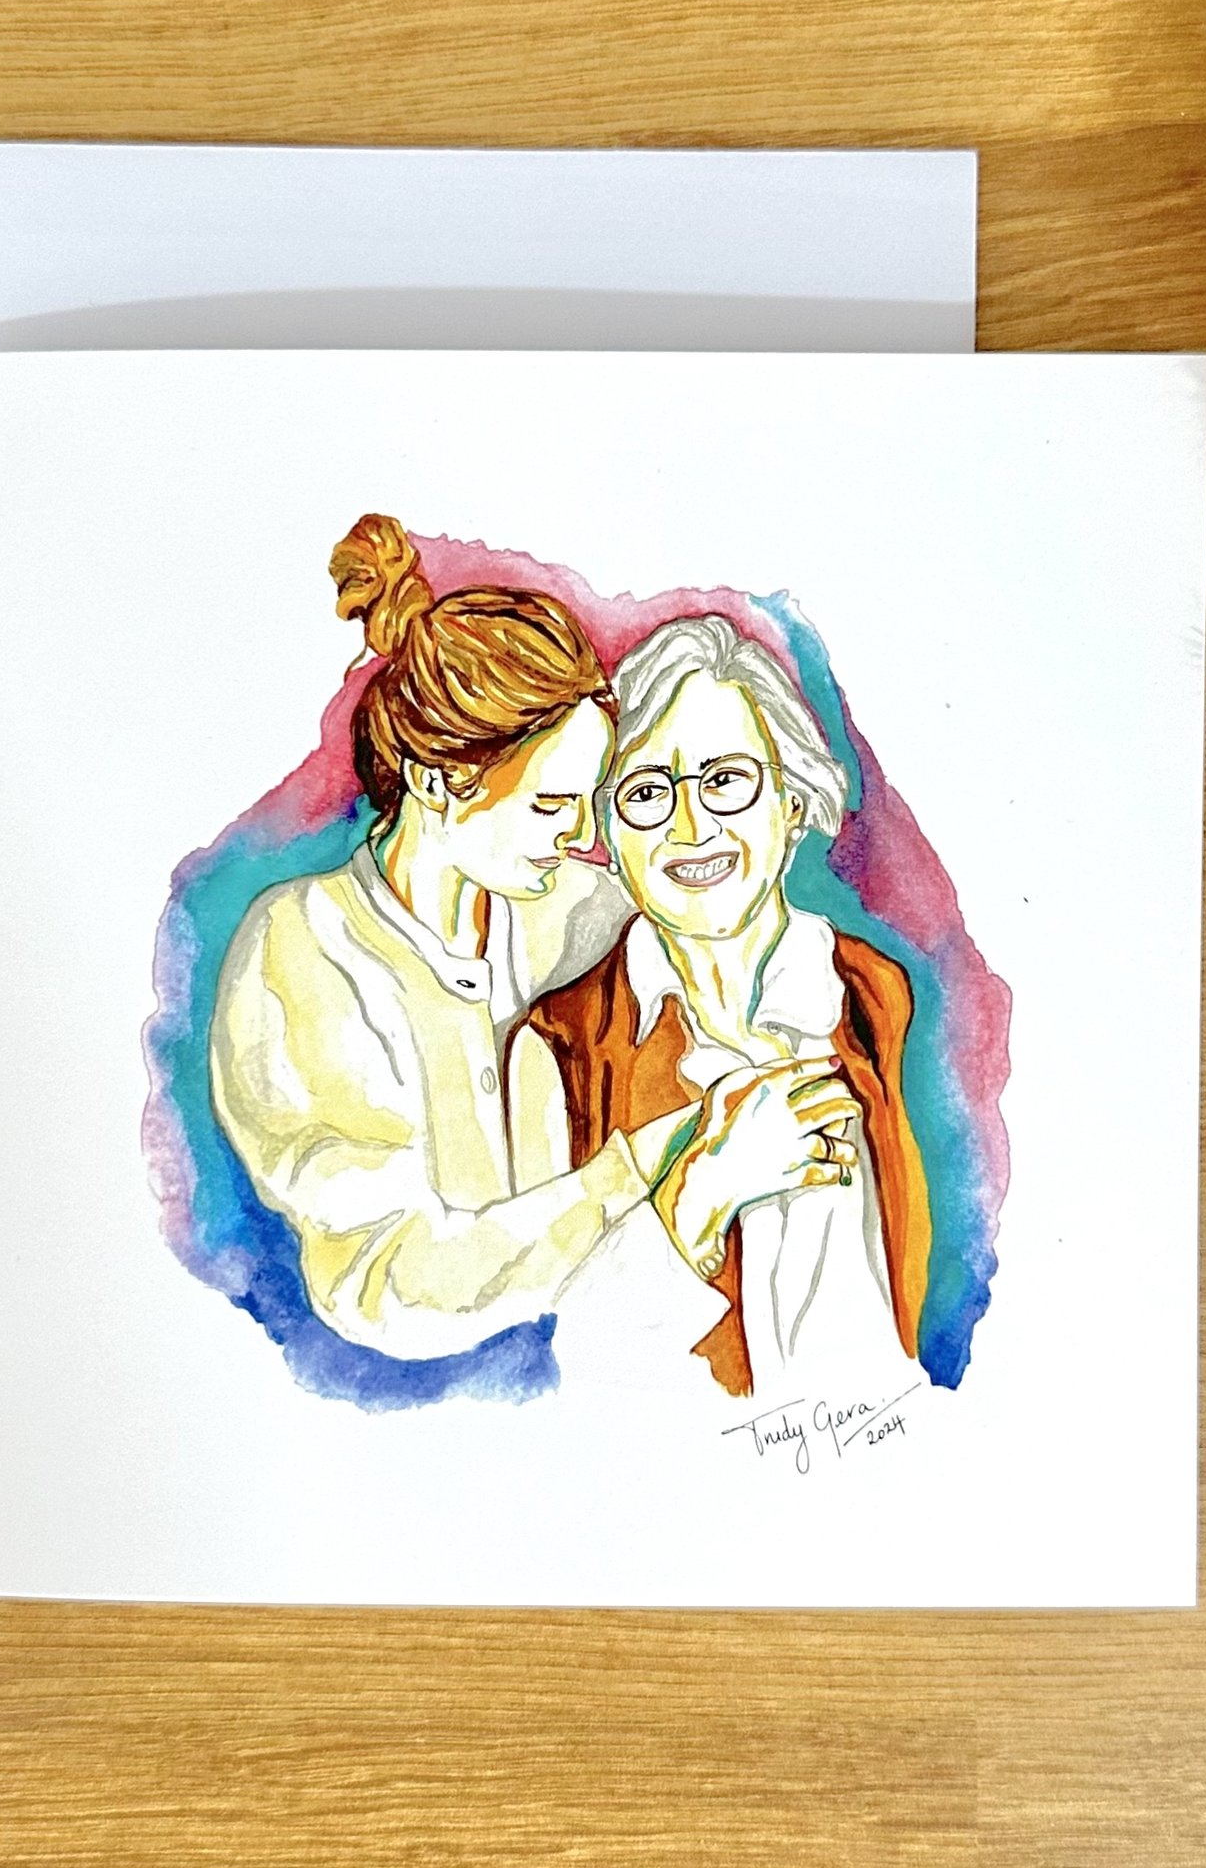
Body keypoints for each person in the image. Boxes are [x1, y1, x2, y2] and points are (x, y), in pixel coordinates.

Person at [209, 519, 856, 1360]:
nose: (584, 838)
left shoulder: (571, 903)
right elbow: (391, 1285)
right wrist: (657, 1159)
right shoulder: (301, 954)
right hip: (444, 1390)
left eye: (590, 801)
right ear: (437, 782)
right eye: (550, 806)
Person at [517, 615, 930, 1398]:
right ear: (608, 831)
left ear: (792, 801)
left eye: (726, 780)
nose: (691, 826)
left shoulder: (873, 994)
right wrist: (701, 1196)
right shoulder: (560, 1046)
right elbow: (547, 1368)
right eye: (646, 792)